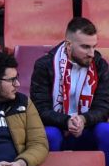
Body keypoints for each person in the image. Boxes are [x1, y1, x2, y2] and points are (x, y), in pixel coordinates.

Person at [30, 17, 109, 154]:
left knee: (105, 131)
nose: (91, 53)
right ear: (68, 45)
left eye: (93, 47)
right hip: (57, 126)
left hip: (87, 126)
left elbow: (104, 107)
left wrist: (83, 120)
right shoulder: (45, 65)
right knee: (49, 134)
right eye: (85, 47)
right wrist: (66, 121)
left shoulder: (100, 65)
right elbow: (40, 109)